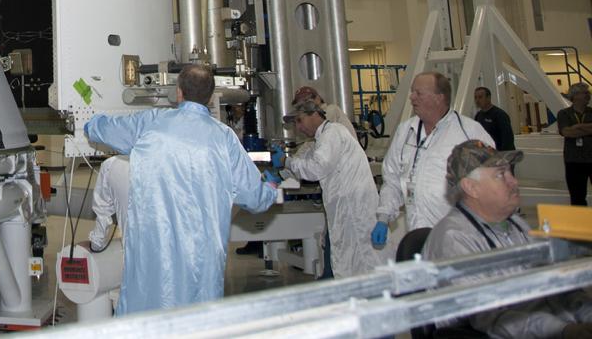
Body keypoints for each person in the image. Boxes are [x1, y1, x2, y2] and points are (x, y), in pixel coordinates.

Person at [84, 63, 277, 314]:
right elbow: (255, 198)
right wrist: (271, 187)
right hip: (202, 264)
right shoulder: (225, 138)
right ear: (210, 96)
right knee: (197, 319)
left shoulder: (152, 123)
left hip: (152, 257)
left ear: (178, 92)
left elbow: (100, 130)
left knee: (145, 315)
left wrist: (90, 122)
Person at [424, 140, 592, 337]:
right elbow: (491, 318)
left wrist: (587, 314)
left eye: (510, 173)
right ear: (471, 187)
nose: (514, 182)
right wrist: (563, 330)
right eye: (501, 175)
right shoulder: (454, 240)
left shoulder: (516, 224)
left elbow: (556, 284)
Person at [372, 71, 494, 246]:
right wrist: (383, 217)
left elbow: (492, 184)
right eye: (412, 92)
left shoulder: (469, 132)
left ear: (439, 97)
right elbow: (392, 180)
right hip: (418, 234)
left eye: (418, 93)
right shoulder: (405, 131)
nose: (412, 97)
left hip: (460, 240)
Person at [276, 100, 380, 278]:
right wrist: (282, 173)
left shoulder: (332, 133)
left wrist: (286, 161)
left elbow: (316, 168)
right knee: (350, 258)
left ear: (314, 114)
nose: (298, 127)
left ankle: (370, 292)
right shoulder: (322, 138)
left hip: (353, 208)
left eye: (299, 120)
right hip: (345, 207)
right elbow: (307, 161)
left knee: (360, 258)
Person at [557, 83, 592, 206]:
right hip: (573, 160)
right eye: (585, 93)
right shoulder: (564, 114)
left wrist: (577, 127)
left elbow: (571, 130)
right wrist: (588, 128)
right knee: (577, 197)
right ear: (575, 96)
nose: (588, 95)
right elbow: (567, 132)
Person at [88, 154, 130, 252]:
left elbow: (102, 211)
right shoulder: (165, 163)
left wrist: (95, 245)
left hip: (133, 254)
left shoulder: (111, 165)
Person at [473, 86, 516, 151]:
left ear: (488, 98)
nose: (477, 100)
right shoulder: (478, 116)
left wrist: (502, 155)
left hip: (500, 153)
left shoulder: (500, 115)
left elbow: (508, 140)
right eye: (475, 98)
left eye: (480, 97)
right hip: (486, 154)